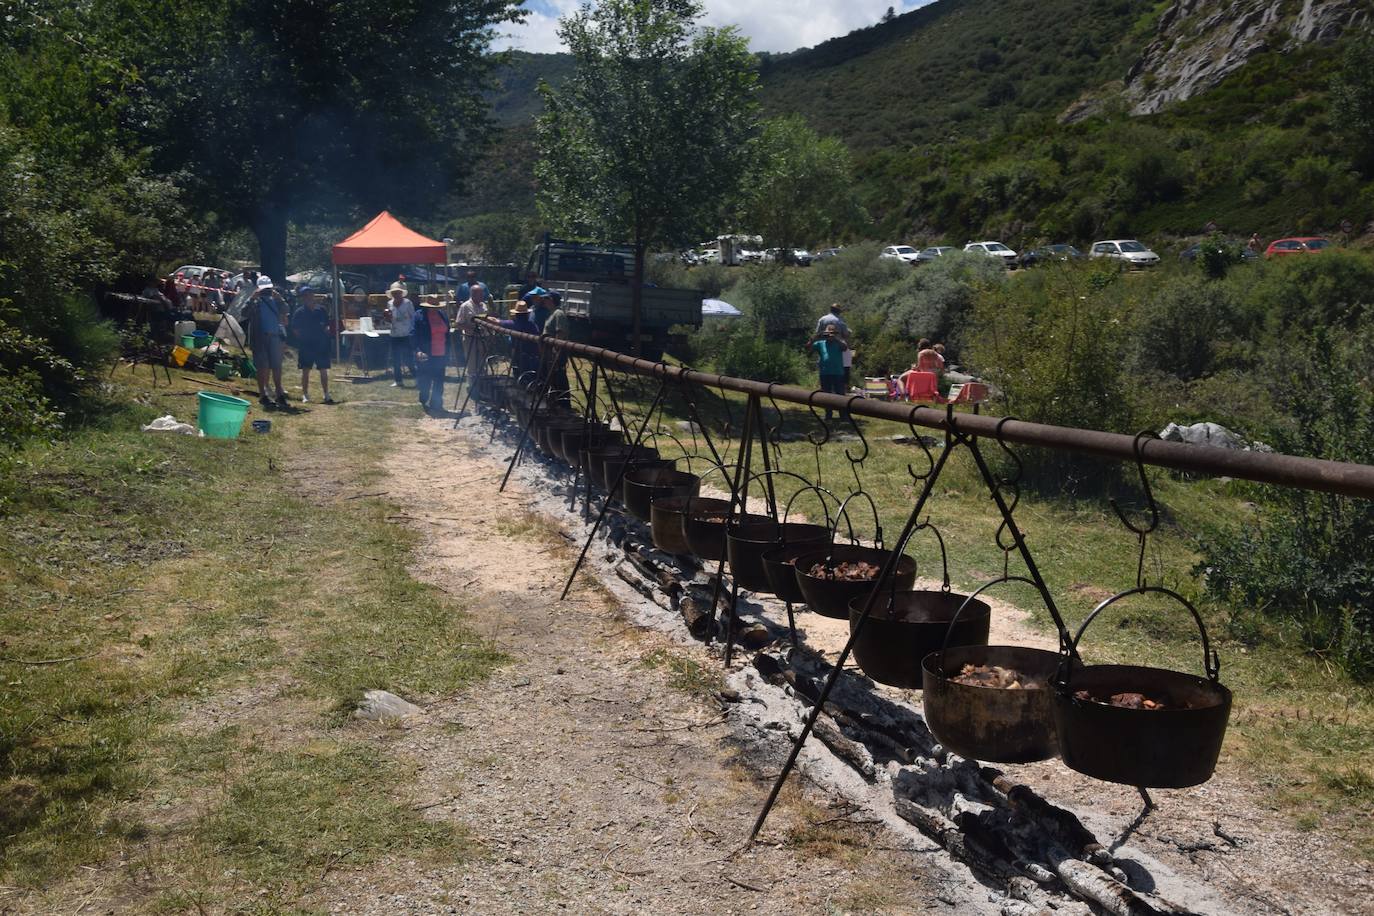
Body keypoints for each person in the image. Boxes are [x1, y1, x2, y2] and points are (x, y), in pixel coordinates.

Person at [247, 275, 289, 408]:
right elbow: (244, 313)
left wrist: (279, 298)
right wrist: (252, 298)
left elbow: (286, 310)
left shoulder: (276, 301)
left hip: (275, 336)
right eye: (264, 289)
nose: (266, 292)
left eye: (268, 289)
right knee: (262, 367)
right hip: (260, 338)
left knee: (277, 366)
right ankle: (263, 395)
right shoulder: (255, 302)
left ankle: (279, 394)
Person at [289, 286, 334, 404]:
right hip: (306, 345)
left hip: (321, 344)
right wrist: (303, 338)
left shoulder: (321, 310)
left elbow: (327, 324)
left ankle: (326, 394)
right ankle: (305, 394)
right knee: (305, 370)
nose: (308, 297)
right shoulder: (299, 312)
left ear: (313, 295)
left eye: (309, 294)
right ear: (303, 298)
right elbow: (294, 329)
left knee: (323, 370)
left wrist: (326, 330)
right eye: (305, 295)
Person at [412, 294, 451, 415]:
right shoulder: (419, 316)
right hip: (426, 353)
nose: (434, 308)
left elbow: (447, 333)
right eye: (431, 306)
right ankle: (423, 400)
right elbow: (413, 334)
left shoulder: (442, 315)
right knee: (425, 380)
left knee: (439, 380)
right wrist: (417, 350)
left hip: (441, 353)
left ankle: (437, 404)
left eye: (435, 306)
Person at [808, 325, 848, 421]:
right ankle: (828, 414)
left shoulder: (839, 342)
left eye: (833, 333)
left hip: (838, 372)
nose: (830, 335)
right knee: (826, 394)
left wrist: (835, 339)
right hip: (825, 373)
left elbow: (845, 348)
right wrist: (814, 338)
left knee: (840, 394)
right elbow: (809, 349)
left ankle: (843, 415)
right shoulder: (820, 343)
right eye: (828, 333)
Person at [540, 295, 572, 408]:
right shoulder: (551, 313)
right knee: (552, 378)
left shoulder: (558, 313)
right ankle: (554, 403)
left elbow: (560, 332)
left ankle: (564, 405)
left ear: (552, 300)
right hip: (550, 352)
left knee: (559, 378)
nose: (544, 301)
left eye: (546, 299)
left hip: (557, 352)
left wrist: (556, 349)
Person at [498, 299, 541, 380]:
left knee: (517, 375)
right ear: (527, 314)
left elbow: (496, 321)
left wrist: (485, 318)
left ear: (516, 314)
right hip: (531, 356)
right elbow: (537, 341)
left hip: (517, 355)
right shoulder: (532, 326)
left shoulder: (512, 324)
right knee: (529, 376)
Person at [386, 281, 415, 388]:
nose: (396, 295)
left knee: (408, 358)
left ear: (401, 293)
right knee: (396, 359)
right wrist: (387, 317)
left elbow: (413, 317)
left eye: (398, 292)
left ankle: (418, 378)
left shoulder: (408, 303)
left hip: (406, 333)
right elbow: (388, 319)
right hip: (394, 333)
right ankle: (398, 380)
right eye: (394, 293)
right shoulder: (389, 303)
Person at [454, 282, 488, 370]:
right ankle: (473, 383)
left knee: (482, 363)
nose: (482, 295)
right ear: (473, 294)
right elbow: (458, 324)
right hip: (470, 338)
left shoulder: (483, 305)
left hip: (482, 338)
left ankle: (482, 382)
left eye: (482, 293)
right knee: (472, 363)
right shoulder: (465, 306)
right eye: (480, 293)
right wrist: (473, 329)